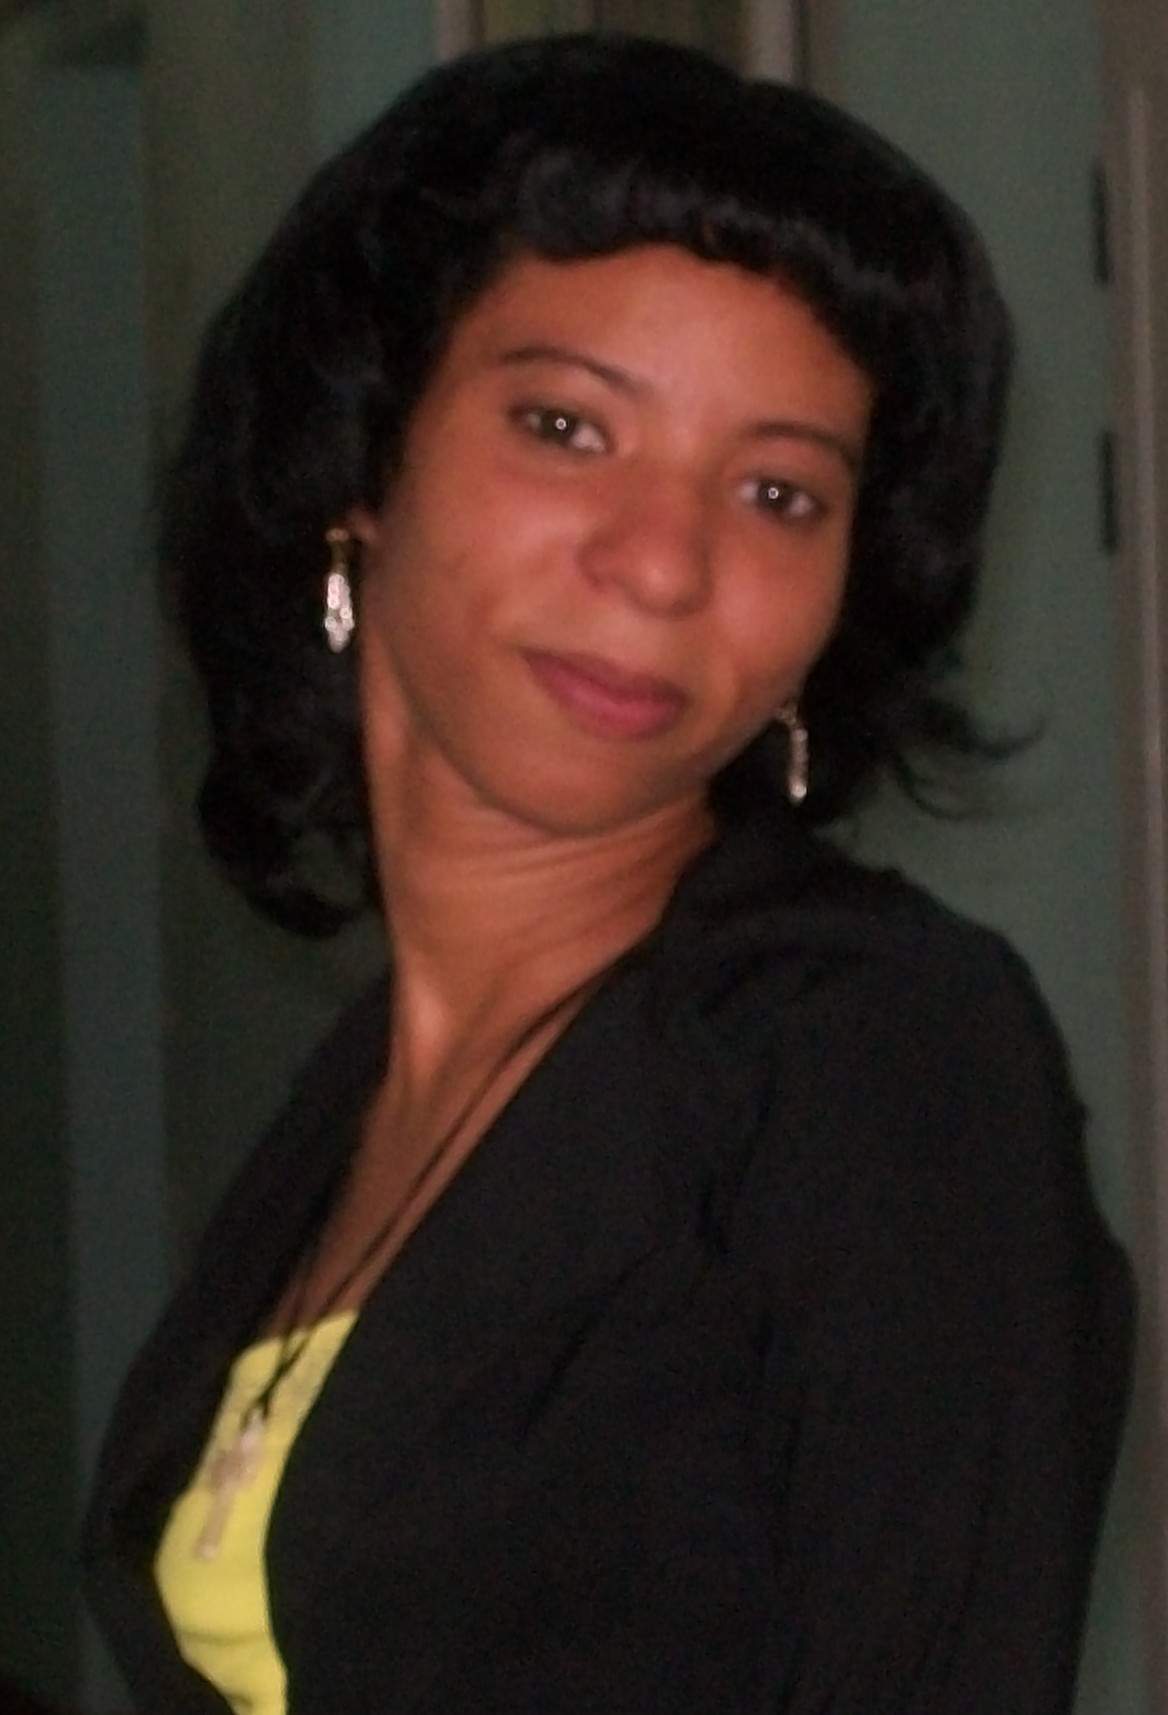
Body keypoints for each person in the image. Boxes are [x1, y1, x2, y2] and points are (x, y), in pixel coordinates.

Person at [83, 32, 1133, 1715]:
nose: (662, 564)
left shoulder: (873, 1055)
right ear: (363, 461)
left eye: (779, 491)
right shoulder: (358, 1100)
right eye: (568, 426)